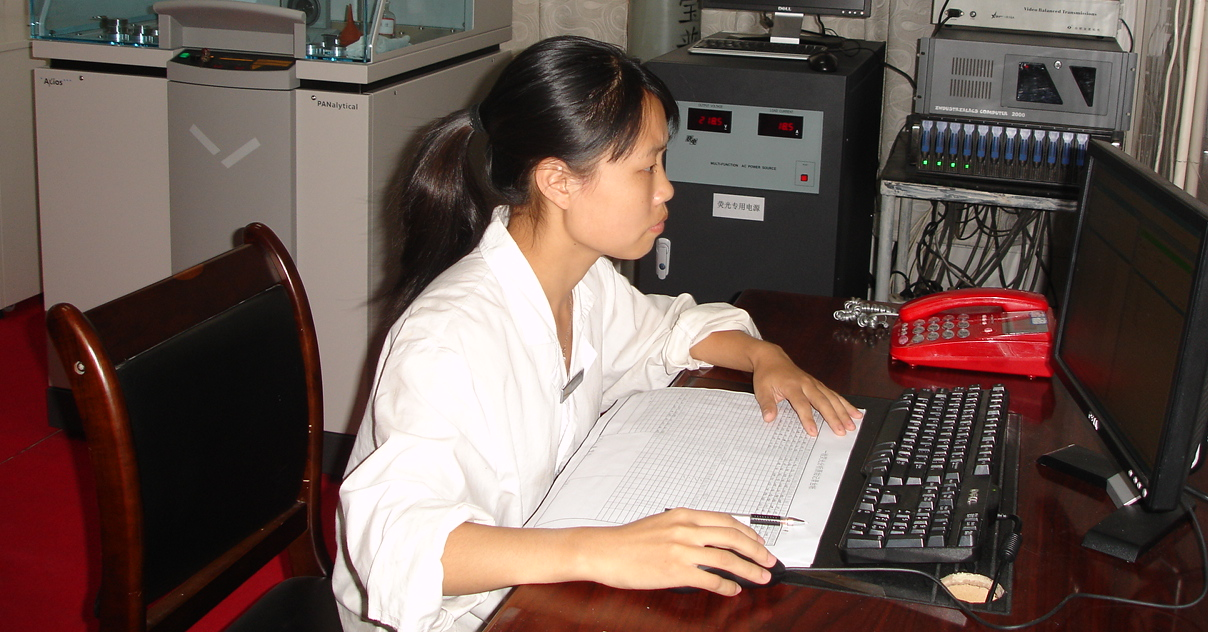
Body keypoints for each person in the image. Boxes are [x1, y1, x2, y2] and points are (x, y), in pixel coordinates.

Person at [334, 35, 860, 632]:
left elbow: (665, 330)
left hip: (540, 580)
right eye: (647, 166)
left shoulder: (584, 282)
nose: (666, 188)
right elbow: (397, 544)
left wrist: (765, 356)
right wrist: (602, 550)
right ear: (558, 181)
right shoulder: (447, 339)